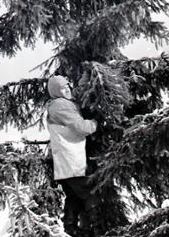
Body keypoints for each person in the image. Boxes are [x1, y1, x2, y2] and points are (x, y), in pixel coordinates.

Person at [46, 75, 101, 236]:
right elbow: (82, 127)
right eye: (63, 88)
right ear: (56, 91)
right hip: (71, 159)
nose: (67, 89)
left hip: (64, 163)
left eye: (67, 86)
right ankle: (99, 227)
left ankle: (71, 227)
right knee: (90, 192)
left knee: (74, 196)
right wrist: (97, 122)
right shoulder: (61, 105)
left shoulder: (56, 105)